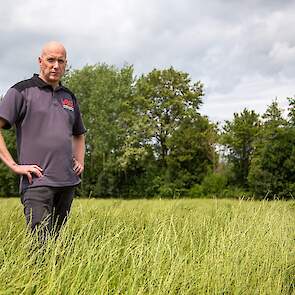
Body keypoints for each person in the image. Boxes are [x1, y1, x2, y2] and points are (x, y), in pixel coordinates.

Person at [0, 41, 86, 240]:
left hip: (66, 183)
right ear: (40, 61)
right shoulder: (21, 91)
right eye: (51, 60)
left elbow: (79, 134)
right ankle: (36, 273)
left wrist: (80, 161)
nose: (55, 65)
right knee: (40, 242)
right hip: (37, 182)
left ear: (66, 64)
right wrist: (14, 166)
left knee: (57, 242)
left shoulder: (69, 97)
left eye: (61, 61)